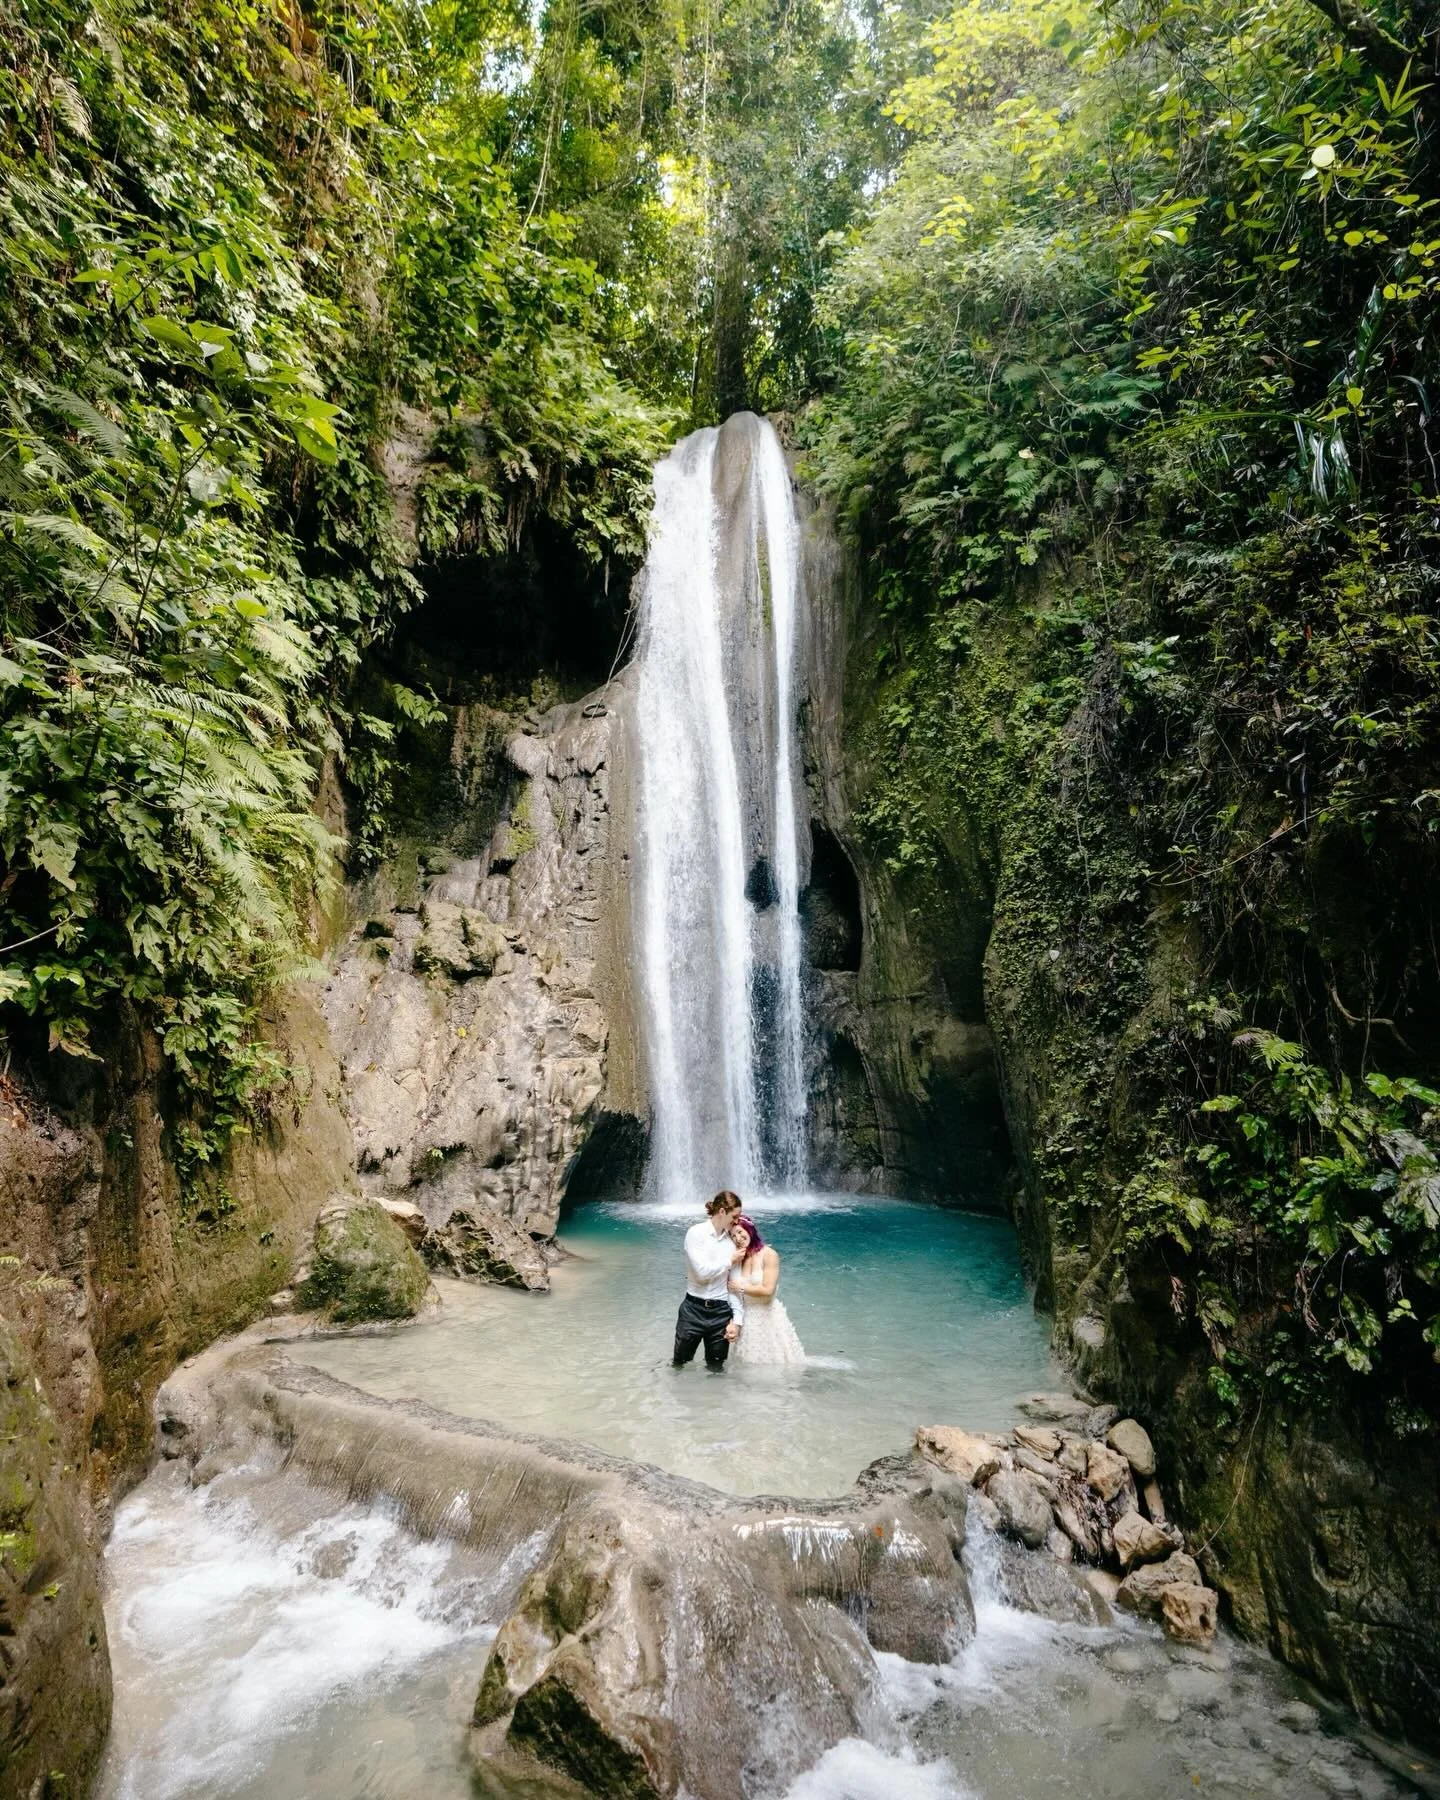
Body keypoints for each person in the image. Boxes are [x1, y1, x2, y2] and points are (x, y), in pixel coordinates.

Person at [673, 1190, 745, 1369]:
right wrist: (730, 1260)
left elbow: (734, 1286)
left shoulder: (731, 1243)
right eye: (734, 1216)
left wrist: (736, 1321)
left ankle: (713, 1398)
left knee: (716, 1368)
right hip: (693, 1310)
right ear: (722, 1211)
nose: (737, 1222)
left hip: (721, 1313)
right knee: (679, 1364)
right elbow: (702, 1273)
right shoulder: (695, 1233)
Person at [728, 1213, 806, 1365]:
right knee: (746, 1365)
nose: (737, 1238)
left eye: (740, 1232)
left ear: (750, 1230)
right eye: (732, 1235)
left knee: (774, 1364)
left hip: (767, 1316)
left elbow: (768, 1290)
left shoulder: (769, 1255)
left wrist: (741, 1286)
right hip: (746, 1317)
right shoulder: (738, 1258)